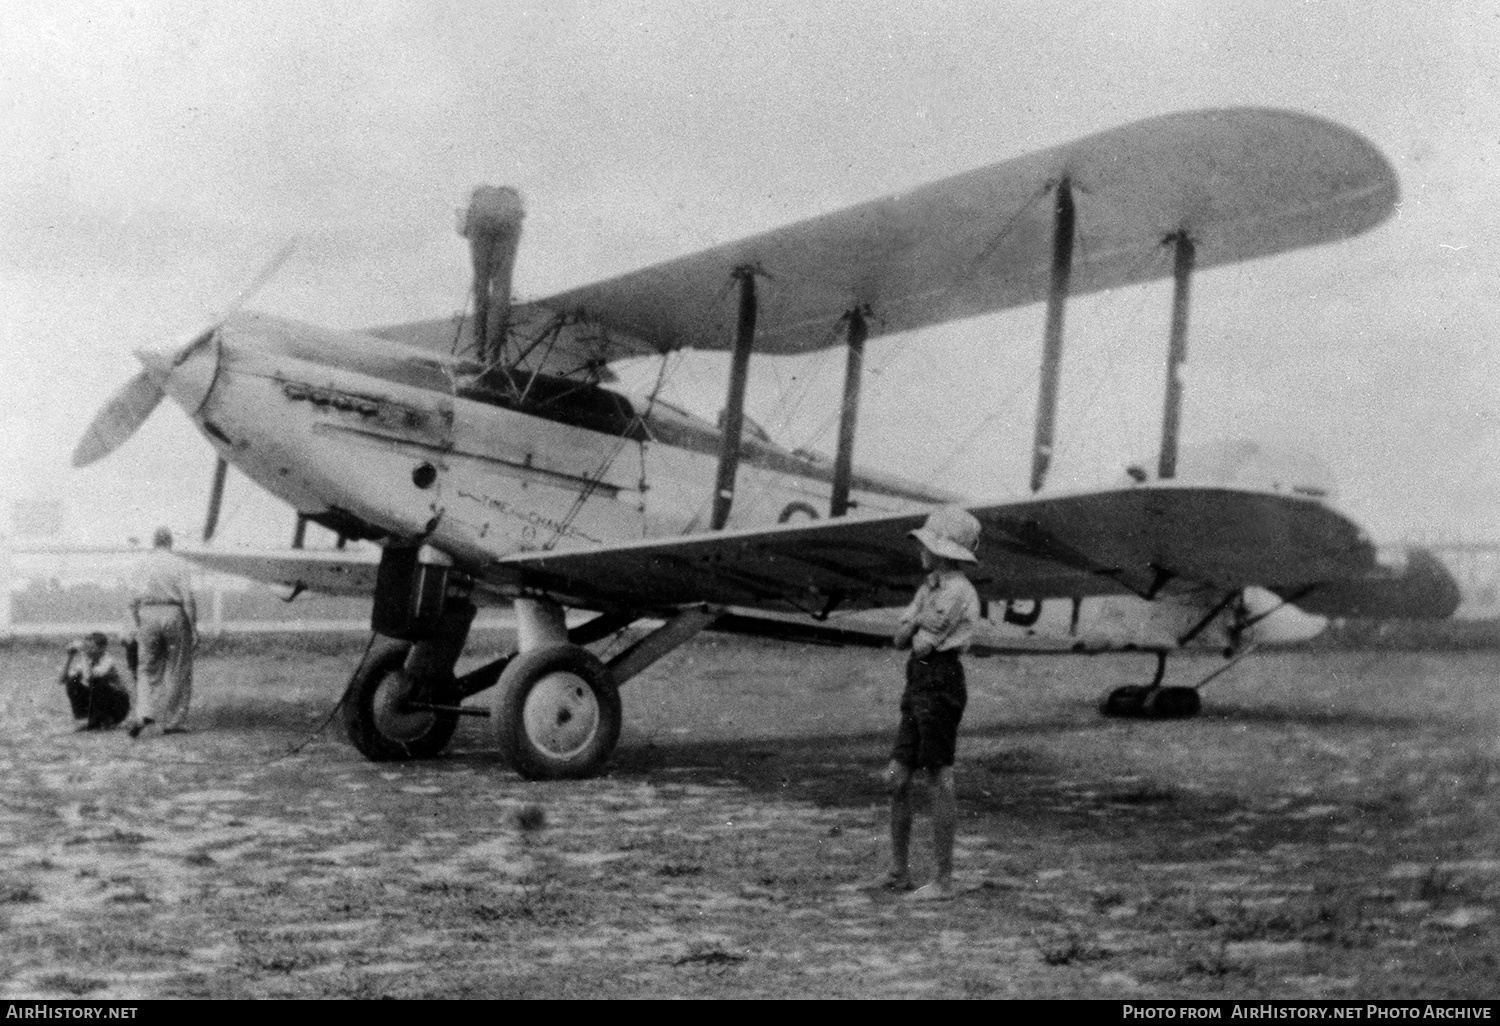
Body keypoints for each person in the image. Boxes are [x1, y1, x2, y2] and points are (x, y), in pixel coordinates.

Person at [884, 505, 983, 902]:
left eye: (927, 544)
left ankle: (943, 879)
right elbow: (900, 638)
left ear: (943, 550)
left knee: (939, 775)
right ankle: (897, 870)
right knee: (897, 776)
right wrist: (917, 622)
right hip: (919, 677)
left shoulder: (958, 590)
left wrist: (915, 623)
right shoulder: (930, 588)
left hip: (940, 678)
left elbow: (923, 639)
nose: (921, 550)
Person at [125, 526, 198, 738]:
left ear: (153, 542)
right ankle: (173, 720)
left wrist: (139, 621)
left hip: (148, 611)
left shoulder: (142, 563)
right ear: (170, 542)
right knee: (178, 667)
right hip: (173, 611)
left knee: (147, 667)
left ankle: (145, 713)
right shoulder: (179, 563)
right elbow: (187, 598)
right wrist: (193, 627)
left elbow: (132, 599)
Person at [58, 632, 132, 730]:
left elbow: (89, 678)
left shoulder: (108, 661)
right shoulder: (88, 660)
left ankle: (106, 720)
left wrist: (83, 653)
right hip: (101, 701)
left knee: (97, 682)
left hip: (118, 706)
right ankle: (87, 718)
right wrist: (70, 657)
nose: (88, 650)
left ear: (102, 648)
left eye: (91, 647)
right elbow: (62, 680)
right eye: (87, 647)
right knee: (73, 681)